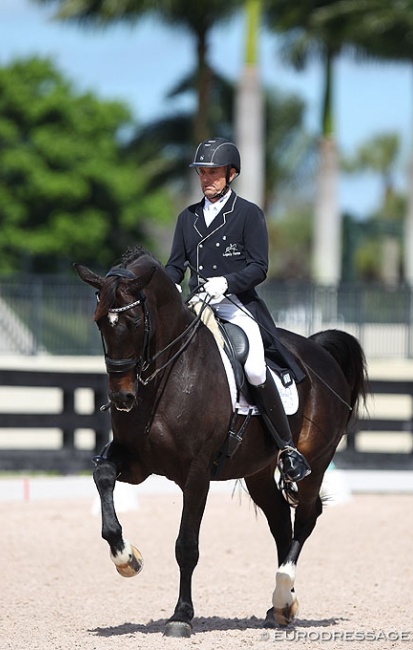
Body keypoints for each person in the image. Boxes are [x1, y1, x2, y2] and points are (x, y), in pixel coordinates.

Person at [164, 137, 311, 484]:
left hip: (235, 306)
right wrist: (167, 284)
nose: (206, 179)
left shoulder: (247, 214)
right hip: (197, 306)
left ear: (231, 174)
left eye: (213, 172)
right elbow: (175, 266)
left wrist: (227, 283)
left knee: (256, 368)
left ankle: (287, 449)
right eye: (202, 173)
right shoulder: (188, 218)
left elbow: (259, 267)